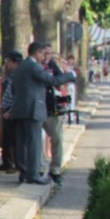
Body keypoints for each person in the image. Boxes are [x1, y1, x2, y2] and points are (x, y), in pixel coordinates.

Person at [10, 41, 76, 185]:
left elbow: (14, 87)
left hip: (20, 109)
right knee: (34, 143)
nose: (44, 57)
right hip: (33, 109)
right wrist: (70, 75)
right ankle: (33, 174)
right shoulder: (34, 66)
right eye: (43, 54)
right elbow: (51, 80)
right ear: (37, 53)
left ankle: (24, 172)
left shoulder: (21, 66)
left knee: (22, 143)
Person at [41, 44, 71, 184]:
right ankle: (39, 168)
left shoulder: (52, 66)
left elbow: (61, 81)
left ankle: (55, 169)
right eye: (45, 53)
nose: (47, 56)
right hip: (37, 108)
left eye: (49, 53)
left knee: (57, 138)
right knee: (37, 141)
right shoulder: (34, 66)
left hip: (51, 109)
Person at [0, 51, 24, 172]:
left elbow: (19, 95)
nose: (6, 64)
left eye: (8, 62)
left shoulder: (19, 75)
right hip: (6, 108)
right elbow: (5, 86)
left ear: (14, 62)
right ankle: (6, 162)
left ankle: (16, 164)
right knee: (6, 139)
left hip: (12, 110)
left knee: (14, 139)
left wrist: (11, 111)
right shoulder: (11, 74)